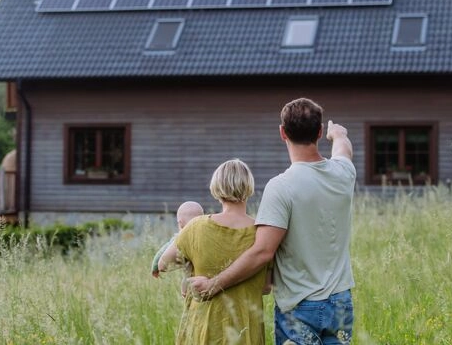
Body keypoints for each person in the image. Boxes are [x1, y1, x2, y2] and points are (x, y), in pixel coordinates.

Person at [189, 98, 357, 344]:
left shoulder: (281, 187)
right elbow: (344, 150)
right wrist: (339, 134)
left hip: (300, 307)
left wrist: (213, 285)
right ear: (320, 132)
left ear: (282, 132)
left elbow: (262, 252)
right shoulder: (343, 173)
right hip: (341, 302)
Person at [159, 159, 270, 344]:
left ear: (216, 187)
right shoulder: (263, 233)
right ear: (248, 186)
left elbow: (163, 264)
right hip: (245, 330)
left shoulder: (196, 226)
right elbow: (266, 287)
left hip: (203, 327)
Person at [151, 201, 205, 290]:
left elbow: (161, 253)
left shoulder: (177, 239)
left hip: (191, 278)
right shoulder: (205, 235)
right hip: (206, 277)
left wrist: (154, 268)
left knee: (187, 279)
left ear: (180, 222)